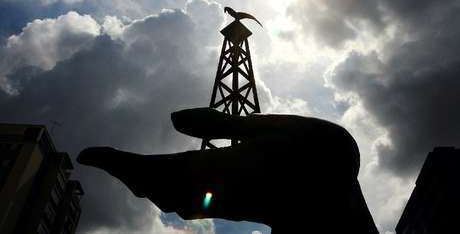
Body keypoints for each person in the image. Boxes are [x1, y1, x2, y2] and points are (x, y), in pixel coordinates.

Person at [77, 108, 379, 234]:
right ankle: (157, 176)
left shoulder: (313, 145)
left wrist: (227, 125)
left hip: (320, 156)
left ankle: (156, 176)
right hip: (325, 160)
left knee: (236, 175)